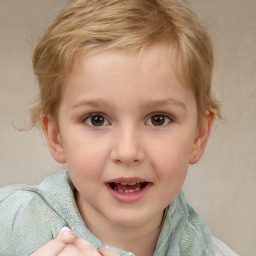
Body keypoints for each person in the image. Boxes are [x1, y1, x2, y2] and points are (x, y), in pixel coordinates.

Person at [0, 0, 239, 255]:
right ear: (56, 136)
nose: (127, 152)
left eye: (158, 119)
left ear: (198, 136)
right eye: (97, 119)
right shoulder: (10, 225)